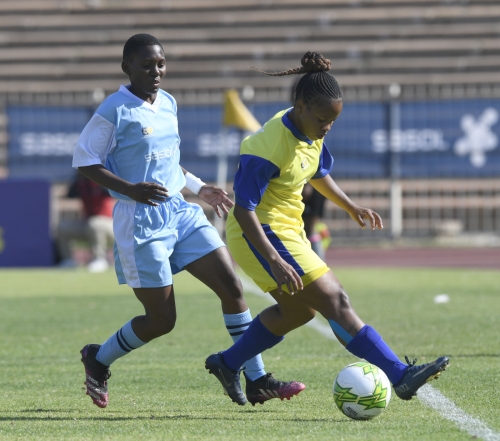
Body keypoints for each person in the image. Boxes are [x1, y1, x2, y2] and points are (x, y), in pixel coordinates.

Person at [72, 33, 305, 408]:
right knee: (161, 320)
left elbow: (167, 161)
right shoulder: (113, 109)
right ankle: (98, 359)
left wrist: (198, 187)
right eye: (146, 65)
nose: (156, 71)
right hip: (140, 222)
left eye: (161, 63)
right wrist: (130, 190)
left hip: (180, 213)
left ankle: (257, 377)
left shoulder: (167, 102)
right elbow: (84, 161)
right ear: (126, 67)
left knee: (232, 287)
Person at [205, 52, 449, 405]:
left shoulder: (309, 126)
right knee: (336, 299)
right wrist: (273, 259)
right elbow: (244, 210)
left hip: (287, 229)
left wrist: (350, 206)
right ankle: (400, 375)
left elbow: (317, 171)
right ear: (301, 106)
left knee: (299, 311)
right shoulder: (266, 147)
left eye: (331, 122)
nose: (326, 128)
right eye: (322, 120)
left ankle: (228, 363)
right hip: (259, 232)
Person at [56, 173, 114, 272]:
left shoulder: (102, 180)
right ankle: (69, 260)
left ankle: (99, 259)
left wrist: (98, 178)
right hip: (88, 224)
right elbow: (70, 194)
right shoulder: (81, 183)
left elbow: (113, 192)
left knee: (95, 223)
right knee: (63, 227)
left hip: (109, 224)